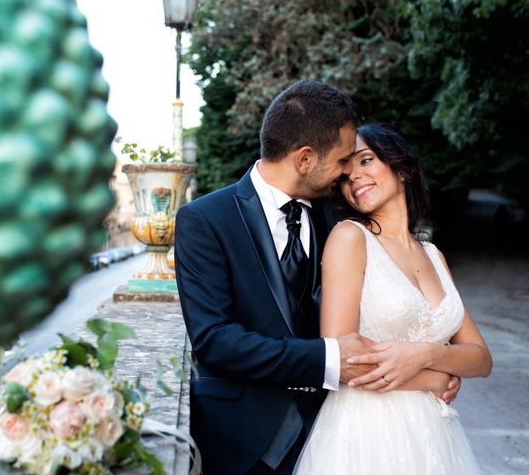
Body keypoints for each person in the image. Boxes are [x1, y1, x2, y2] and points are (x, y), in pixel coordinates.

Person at [174, 82, 460, 474]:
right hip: (240, 441)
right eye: (344, 160)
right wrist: (329, 358)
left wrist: (430, 368)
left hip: (332, 435)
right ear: (305, 159)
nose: (348, 173)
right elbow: (214, 340)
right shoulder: (206, 220)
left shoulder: (340, 219)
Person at [295, 124, 492, 474]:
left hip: (437, 433)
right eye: (345, 174)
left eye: (366, 160)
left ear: (401, 168)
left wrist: (428, 354)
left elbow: (481, 359)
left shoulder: (433, 255)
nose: (354, 177)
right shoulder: (349, 238)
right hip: (368, 430)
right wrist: (436, 378)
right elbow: (341, 359)